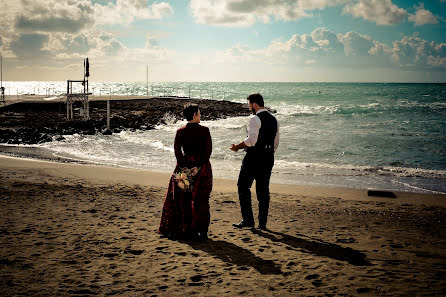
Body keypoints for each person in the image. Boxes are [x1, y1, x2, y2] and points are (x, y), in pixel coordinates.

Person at [158, 103, 213, 240]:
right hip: (202, 169)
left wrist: (185, 166)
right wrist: (197, 166)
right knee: (202, 200)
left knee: (182, 199)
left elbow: (177, 151)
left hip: (183, 168)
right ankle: (202, 232)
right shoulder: (205, 131)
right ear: (194, 115)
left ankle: (185, 229)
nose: (200, 116)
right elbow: (207, 152)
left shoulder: (180, 131)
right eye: (199, 113)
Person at [230, 93, 279, 230]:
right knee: (263, 191)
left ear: (254, 104)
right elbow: (276, 143)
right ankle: (262, 224)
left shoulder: (254, 119)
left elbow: (251, 141)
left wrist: (237, 147)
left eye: (249, 104)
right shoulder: (274, 120)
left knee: (243, 187)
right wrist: (267, 153)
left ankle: (248, 220)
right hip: (268, 158)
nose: (249, 107)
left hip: (253, 158)